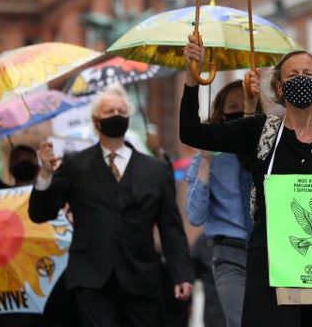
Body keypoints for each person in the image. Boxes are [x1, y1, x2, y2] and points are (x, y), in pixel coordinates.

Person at [180, 40, 312, 327]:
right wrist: (192, 78)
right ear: (279, 88)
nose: (301, 80)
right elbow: (191, 133)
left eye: (308, 74)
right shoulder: (260, 131)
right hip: (270, 266)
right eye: (293, 76)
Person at [28, 83, 193, 327]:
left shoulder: (156, 170)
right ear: (96, 120)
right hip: (91, 279)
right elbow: (40, 212)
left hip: (141, 277)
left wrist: (181, 274)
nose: (116, 116)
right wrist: (45, 173)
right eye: (109, 112)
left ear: (129, 117)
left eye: (121, 112)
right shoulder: (75, 166)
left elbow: (170, 226)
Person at [185, 79, 262, 327]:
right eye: (232, 105)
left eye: (245, 104)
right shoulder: (209, 157)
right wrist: (206, 161)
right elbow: (195, 216)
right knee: (238, 321)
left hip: (266, 250)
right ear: (221, 112)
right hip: (229, 252)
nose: (238, 109)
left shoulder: (269, 151)